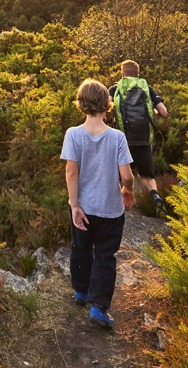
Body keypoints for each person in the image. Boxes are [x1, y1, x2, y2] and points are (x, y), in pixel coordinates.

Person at [61, 78, 135, 328]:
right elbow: (126, 175)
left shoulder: (73, 134)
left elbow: (71, 172)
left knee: (80, 248)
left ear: (80, 104)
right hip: (111, 211)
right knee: (105, 255)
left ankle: (81, 292)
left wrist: (74, 206)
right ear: (107, 104)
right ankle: (98, 308)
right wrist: (128, 190)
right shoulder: (117, 137)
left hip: (83, 208)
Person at [110, 60, 170, 218]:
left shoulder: (116, 88)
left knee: (121, 173)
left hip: (123, 139)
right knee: (146, 176)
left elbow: (105, 106)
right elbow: (163, 112)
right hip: (144, 139)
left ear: (122, 75)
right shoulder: (146, 88)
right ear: (138, 75)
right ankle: (155, 195)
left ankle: (121, 208)